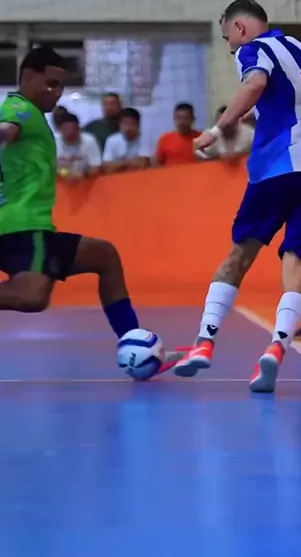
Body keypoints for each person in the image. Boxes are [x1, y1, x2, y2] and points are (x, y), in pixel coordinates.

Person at [173, 0, 301, 393]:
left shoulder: (254, 48)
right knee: (299, 263)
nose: (231, 48)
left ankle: (204, 342)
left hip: (278, 168)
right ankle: (276, 348)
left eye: (228, 40)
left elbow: (255, 83)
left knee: (240, 254)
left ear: (239, 28)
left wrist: (215, 131)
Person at [0, 47, 181, 375]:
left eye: (61, 85)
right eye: (51, 83)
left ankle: (134, 342)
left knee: (104, 256)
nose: (57, 92)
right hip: (22, 226)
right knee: (33, 297)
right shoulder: (19, 107)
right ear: (28, 77)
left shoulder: (33, 114)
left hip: (33, 225)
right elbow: (6, 130)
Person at [103, 107, 151, 173]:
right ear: (119, 125)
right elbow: (107, 168)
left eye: (132, 124)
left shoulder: (145, 139)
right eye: (125, 124)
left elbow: (143, 164)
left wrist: (118, 164)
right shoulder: (111, 140)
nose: (128, 128)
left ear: (138, 125)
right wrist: (129, 163)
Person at [56, 112, 102, 181]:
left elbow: (96, 166)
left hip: (86, 180)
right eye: (67, 129)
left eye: (74, 128)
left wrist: (83, 174)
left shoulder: (89, 140)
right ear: (59, 129)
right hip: (60, 181)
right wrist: (66, 174)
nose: (71, 132)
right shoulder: (53, 142)